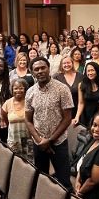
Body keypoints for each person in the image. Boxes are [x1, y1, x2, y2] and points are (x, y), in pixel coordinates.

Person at [25, 57, 74, 189]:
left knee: (64, 181)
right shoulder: (30, 92)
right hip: (39, 143)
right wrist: (40, 141)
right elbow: (28, 120)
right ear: (32, 72)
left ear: (48, 69)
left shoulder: (62, 89)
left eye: (43, 68)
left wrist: (50, 140)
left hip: (58, 142)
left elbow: (67, 118)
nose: (40, 71)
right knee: (41, 178)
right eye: (36, 69)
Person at [2, 78, 32, 160]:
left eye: (21, 88)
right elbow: (5, 119)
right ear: (12, 90)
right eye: (15, 88)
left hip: (28, 139)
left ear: (25, 89)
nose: (18, 90)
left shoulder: (29, 102)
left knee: (29, 164)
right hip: (13, 140)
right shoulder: (7, 103)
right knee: (14, 162)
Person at [73, 62, 99, 127]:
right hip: (86, 116)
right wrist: (77, 116)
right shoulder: (81, 85)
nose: (90, 73)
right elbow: (81, 103)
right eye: (88, 71)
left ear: (97, 71)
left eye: (92, 70)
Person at [54, 55, 83, 119]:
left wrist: (77, 116)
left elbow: (82, 99)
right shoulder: (56, 77)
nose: (66, 65)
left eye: (68, 62)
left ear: (72, 63)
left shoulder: (80, 76)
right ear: (61, 65)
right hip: (62, 111)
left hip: (78, 110)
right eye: (64, 63)